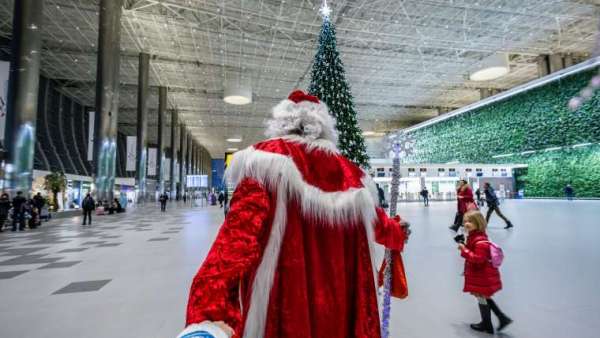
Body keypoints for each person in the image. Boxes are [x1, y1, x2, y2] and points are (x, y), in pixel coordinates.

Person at [178, 90, 410, 338]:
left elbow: (235, 243)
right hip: (342, 309)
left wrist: (207, 315)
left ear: (282, 122)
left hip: (288, 306)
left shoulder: (264, 163)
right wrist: (397, 231)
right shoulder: (351, 173)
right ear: (324, 126)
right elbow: (380, 226)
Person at [457, 210, 513, 334]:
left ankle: (487, 324)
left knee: (482, 296)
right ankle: (500, 318)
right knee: (482, 297)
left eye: (470, 221)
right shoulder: (474, 237)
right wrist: (465, 246)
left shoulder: (480, 241)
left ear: (479, 223)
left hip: (481, 275)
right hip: (480, 274)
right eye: (465, 221)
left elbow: (478, 259)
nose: (466, 223)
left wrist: (464, 250)